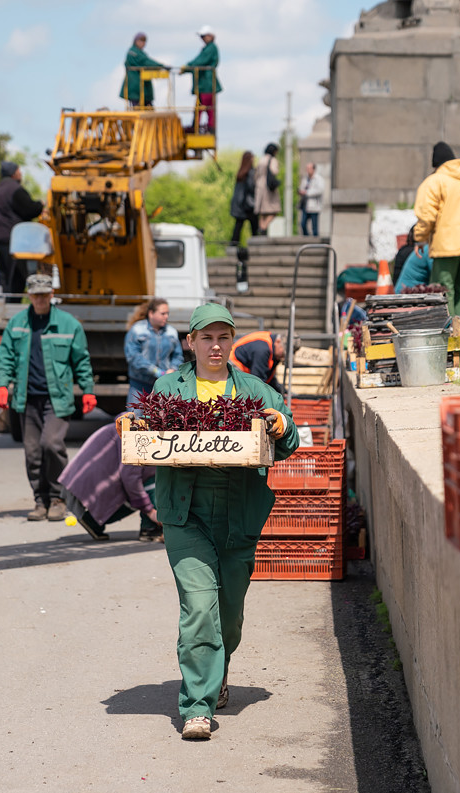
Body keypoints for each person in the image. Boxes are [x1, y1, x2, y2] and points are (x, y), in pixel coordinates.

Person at [152, 303, 299, 740]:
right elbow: (144, 432)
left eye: (223, 337)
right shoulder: (168, 388)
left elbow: (289, 440)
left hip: (240, 510)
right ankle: (196, 705)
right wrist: (130, 424)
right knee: (200, 608)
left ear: (231, 342)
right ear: (190, 342)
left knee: (228, 616)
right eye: (206, 337)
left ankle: (217, 673)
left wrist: (280, 424)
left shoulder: (256, 389)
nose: (215, 346)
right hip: (187, 511)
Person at [0, 273, 97, 522]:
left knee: (51, 445)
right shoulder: (17, 323)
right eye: (36, 295)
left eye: (44, 295)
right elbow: (6, 356)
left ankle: (58, 497)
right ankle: (40, 501)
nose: (40, 299)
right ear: (29, 295)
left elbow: (81, 360)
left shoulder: (68, 324)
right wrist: (1, 385)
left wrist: (88, 389)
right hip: (27, 398)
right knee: (32, 452)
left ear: (51, 295)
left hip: (57, 397)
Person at [412, 141, 460, 318]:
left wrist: (420, 238)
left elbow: (427, 215)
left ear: (436, 164)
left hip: (447, 245)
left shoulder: (435, 181)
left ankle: (449, 340)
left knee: (444, 290)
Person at [59, 422, 161, 542]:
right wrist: (149, 511)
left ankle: (92, 521)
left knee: (145, 482)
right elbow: (130, 478)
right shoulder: (139, 434)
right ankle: (149, 528)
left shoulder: (133, 424)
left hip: (81, 480)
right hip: (94, 483)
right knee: (151, 483)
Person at [0, 161, 44, 295]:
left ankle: (3, 309)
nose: (21, 173)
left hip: (0, 238)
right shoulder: (14, 189)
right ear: (14, 173)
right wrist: (40, 205)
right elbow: (29, 209)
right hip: (14, 241)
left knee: (4, 277)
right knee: (16, 279)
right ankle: (11, 308)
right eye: (19, 171)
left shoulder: (0, 189)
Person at [124, 297, 184, 405]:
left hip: (163, 387)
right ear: (151, 313)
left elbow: (178, 356)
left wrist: (173, 369)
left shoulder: (171, 332)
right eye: (163, 313)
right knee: (135, 420)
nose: (166, 316)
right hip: (140, 385)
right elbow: (133, 357)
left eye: (167, 313)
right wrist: (156, 371)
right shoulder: (137, 330)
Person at [183, 26, 222, 133]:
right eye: (201, 36)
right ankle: (207, 127)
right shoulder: (208, 48)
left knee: (201, 107)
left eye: (204, 36)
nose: (202, 38)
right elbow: (199, 60)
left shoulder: (211, 48)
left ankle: (199, 127)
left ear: (210, 36)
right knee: (207, 108)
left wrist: (187, 67)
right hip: (206, 84)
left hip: (206, 84)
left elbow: (200, 61)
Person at [229, 329, 286, 394]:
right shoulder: (263, 349)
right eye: (283, 353)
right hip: (234, 363)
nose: (283, 357)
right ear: (278, 342)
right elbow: (258, 379)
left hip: (245, 368)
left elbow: (269, 378)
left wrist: (281, 391)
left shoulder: (273, 349)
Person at [120, 32, 165, 108]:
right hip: (136, 87)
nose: (143, 43)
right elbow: (145, 62)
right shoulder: (132, 53)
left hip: (144, 89)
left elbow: (146, 61)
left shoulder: (141, 53)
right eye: (141, 41)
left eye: (144, 41)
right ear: (136, 41)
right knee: (137, 107)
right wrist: (160, 66)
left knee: (148, 107)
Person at [229, 151, 258, 247]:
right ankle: (256, 244)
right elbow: (251, 187)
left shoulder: (240, 173)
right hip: (248, 204)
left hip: (238, 203)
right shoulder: (250, 172)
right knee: (254, 225)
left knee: (238, 225)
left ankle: (234, 244)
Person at [254, 143, 282, 234]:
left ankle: (261, 227)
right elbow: (274, 171)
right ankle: (263, 228)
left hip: (259, 187)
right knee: (274, 210)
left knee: (262, 212)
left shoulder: (261, 160)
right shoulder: (272, 160)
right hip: (269, 188)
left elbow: (256, 174)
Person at [298, 163, 325, 237]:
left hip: (314, 206)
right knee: (303, 224)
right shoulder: (305, 178)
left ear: (313, 169)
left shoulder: (318, 179)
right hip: (305, 205)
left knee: (314, 227)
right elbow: (302, 188)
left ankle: (315, 242)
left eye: (309, 168)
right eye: (307, 168)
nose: (308, 170)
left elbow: (320, 190)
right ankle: (307, 238)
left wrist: (307, 192)